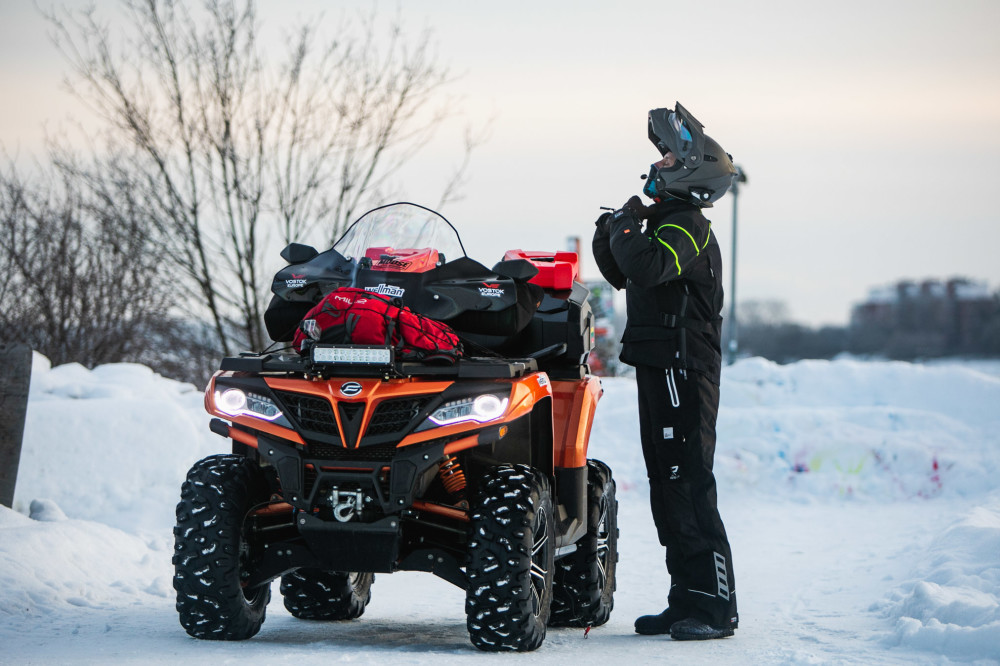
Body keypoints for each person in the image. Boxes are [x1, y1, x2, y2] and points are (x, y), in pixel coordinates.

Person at [591, 102, 739, 641]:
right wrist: (612, 229)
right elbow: (622, 272)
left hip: (686, 368)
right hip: (657, 365)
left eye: (671, 155)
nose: (660, 162)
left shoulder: (689, 228)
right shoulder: (663, 223)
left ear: (692, 170)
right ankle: (687, 599)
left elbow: (648, 266)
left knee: (689, 481)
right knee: (665, 483)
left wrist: (630, 227)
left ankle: (717, 608)